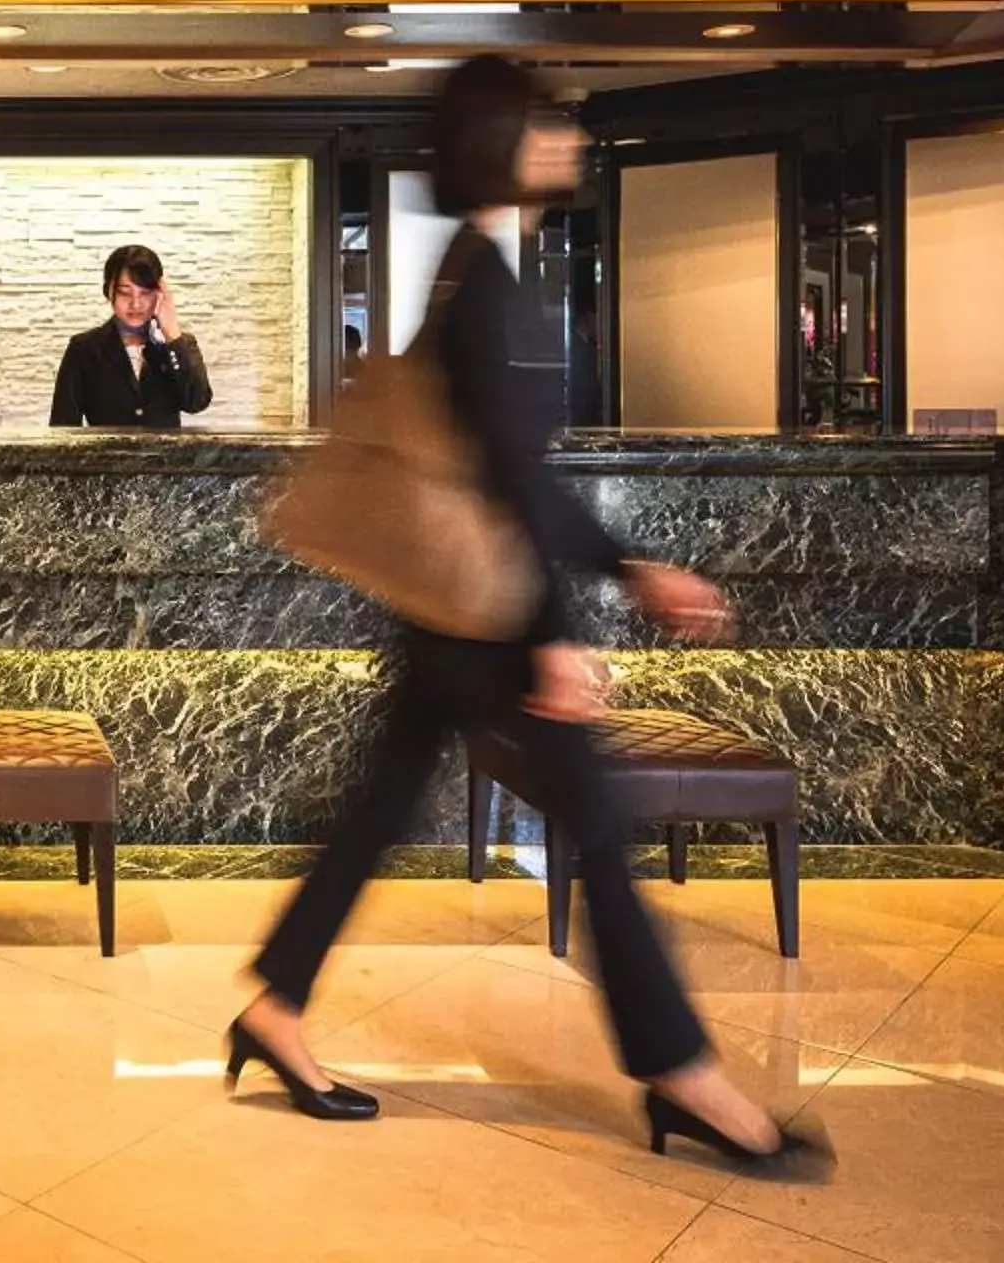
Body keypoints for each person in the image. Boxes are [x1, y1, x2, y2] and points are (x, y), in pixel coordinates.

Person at [229, 57, 827, 1177]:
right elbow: (512, 468)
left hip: (450, 610)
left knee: (379, 808)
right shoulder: (492, 280)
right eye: (548, 121)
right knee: (596, 825)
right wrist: (563, 624)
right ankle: (680, 1072)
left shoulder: (471, 267)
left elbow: (511, 466)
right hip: (489, 619)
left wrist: (628, 565)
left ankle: (275, 1005)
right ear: (503, 140)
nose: (567, 137)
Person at [49, 244, 212, 427]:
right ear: (108, 291)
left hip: (168, 456)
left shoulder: (178, 344)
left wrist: (172, 334)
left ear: (160, 294)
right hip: (106, 456)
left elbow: (197, 402)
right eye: (125, 293)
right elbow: (62, 426)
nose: (136, 304)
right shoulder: (84, 348)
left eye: (145, 293)